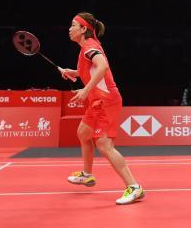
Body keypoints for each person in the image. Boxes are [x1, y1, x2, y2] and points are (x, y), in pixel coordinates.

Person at [57, 12, 144, 205]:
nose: (69, 29)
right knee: (83, 133)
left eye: (73, 25)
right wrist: (74, 73)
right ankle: (87, 175)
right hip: (97, 101)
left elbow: (103, 66)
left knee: (104, 145)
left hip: (107, 101)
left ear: (83, 29)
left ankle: (134, 187)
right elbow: (91, 69)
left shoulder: (90, 46)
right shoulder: (85, 48)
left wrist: (86, 90)